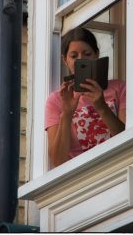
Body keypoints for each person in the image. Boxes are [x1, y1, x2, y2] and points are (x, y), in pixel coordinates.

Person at [45, 27, 126, 169]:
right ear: (65, 60)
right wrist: (67, 113)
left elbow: (127, 138)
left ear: (97, 54)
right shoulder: (57, 100)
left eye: (87, 54)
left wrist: (101, 107)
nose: (81, 60)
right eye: (74, 56)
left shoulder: (118, 88)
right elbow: (57, 161)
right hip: (81, 178)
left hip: (117, 167)